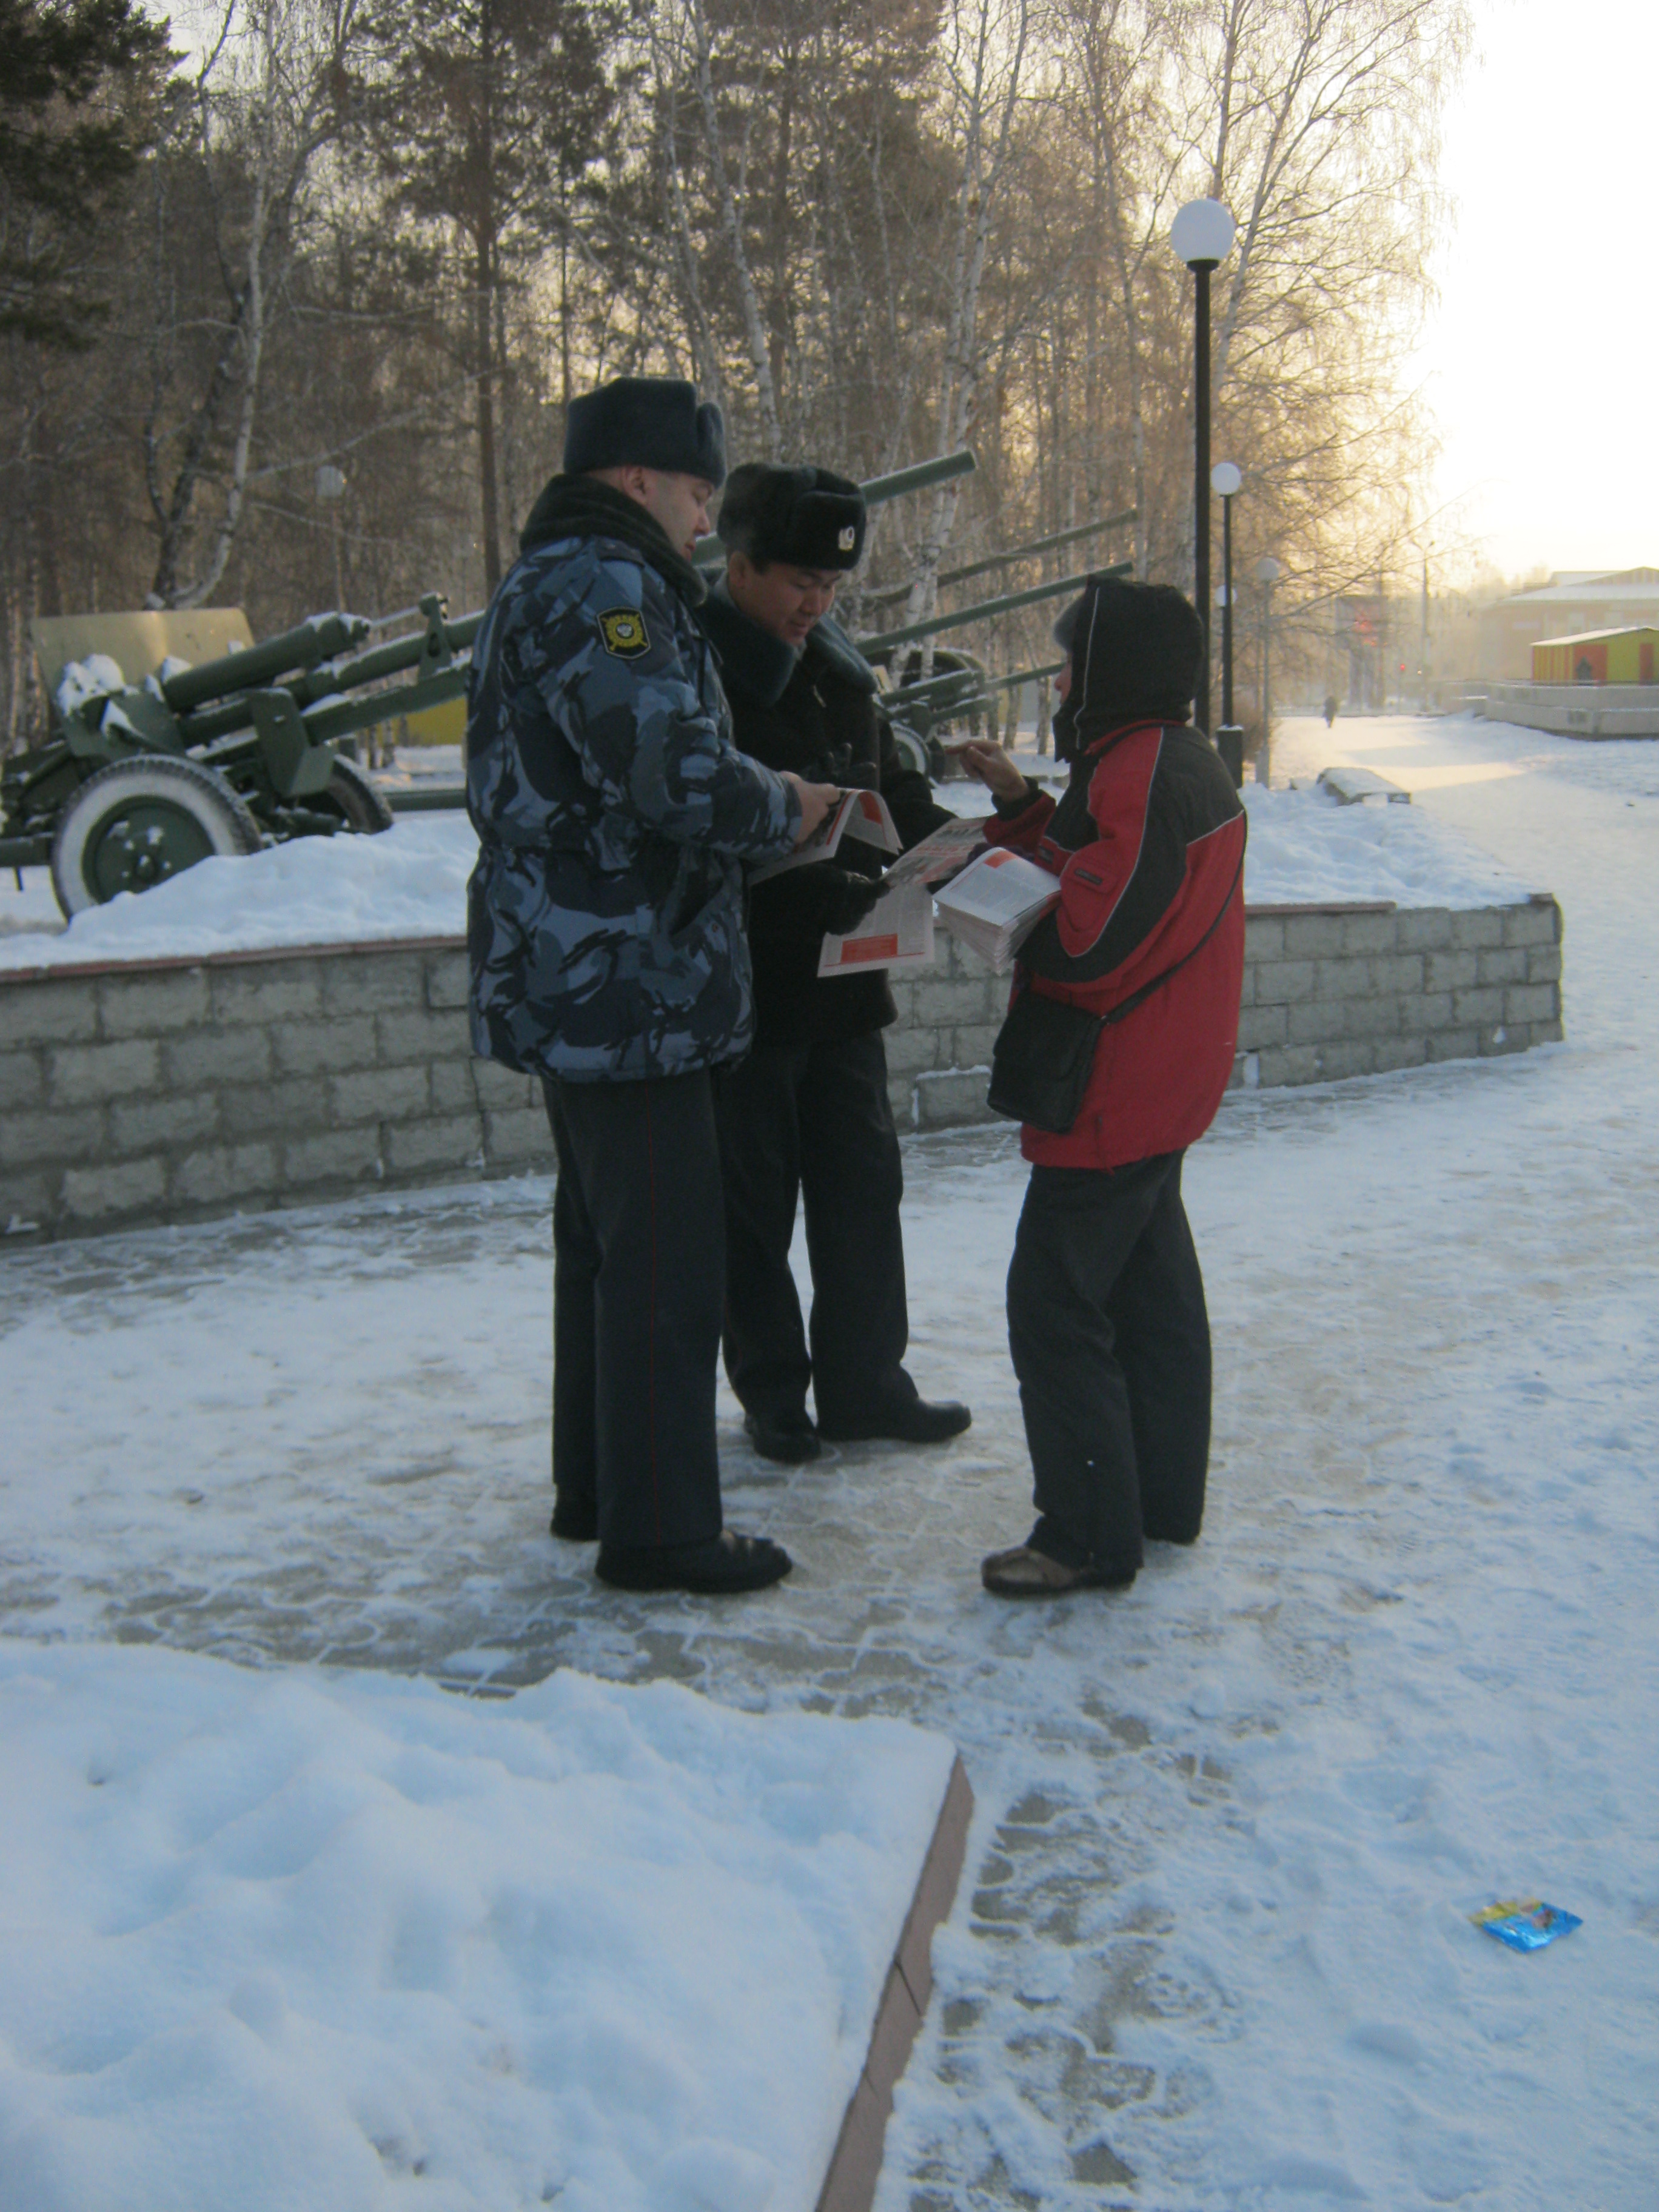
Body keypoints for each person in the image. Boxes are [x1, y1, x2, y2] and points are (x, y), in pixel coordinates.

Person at [466, 377, 839, 1596]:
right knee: (669, 1268)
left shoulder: (561, 578)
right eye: (694, 493)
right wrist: (787, 804)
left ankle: (601, 1491)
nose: (702, 520)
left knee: (610, 1252)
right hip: (630, 985)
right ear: (636, 479)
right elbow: (672, 774)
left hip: (596, 979)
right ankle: (664, 1531)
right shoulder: (608, 589)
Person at [956, 575, 1246, 1597]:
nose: (1062, 677)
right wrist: (1022, 809)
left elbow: (1089, 944)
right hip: (1166, 1074)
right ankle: (1158, 1503)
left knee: (1054, 1302)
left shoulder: (1138, 772)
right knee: (1151, 1295)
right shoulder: (1169, 759)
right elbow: (1108, 880)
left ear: (1112, 671)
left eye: (1074, 658)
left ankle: (1083, 1534)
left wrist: (979, 902)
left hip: (1118, 1086)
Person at [697, 462, 973, 1463]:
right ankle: (773, 1396)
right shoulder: (698, 670)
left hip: (850, 981)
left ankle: (867, 1384)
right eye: (799, 582)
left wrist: (963, 853)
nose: (817, 603)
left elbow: (890, 786)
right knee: (754, 1207)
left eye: (832, 586)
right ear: (739, 566)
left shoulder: (839, 669)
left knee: (863, 1194)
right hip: (751, 990)